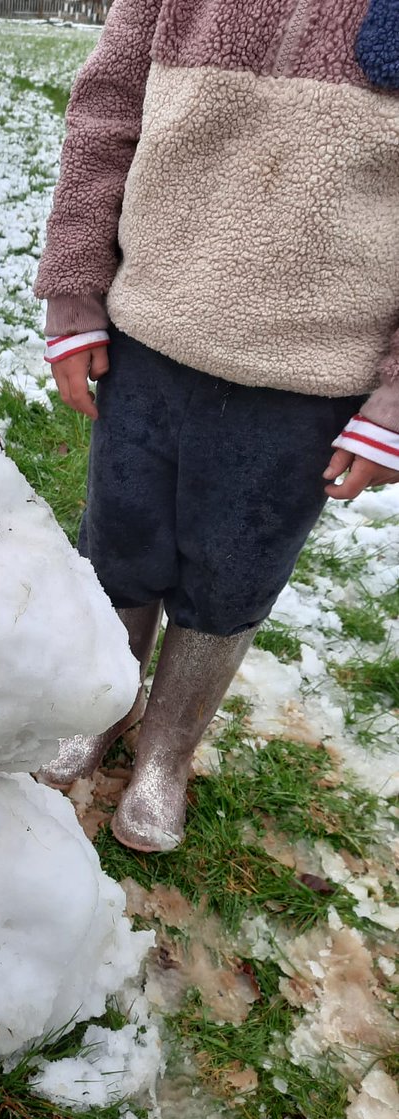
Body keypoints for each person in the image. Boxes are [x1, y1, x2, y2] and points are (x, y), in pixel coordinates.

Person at [34, 0, 399, 852]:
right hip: (149, 335)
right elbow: (106, 110)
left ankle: (167, 747)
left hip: (308, 374)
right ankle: (105, 700)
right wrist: (75, 288)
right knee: (120, 539)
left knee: (234, 571)